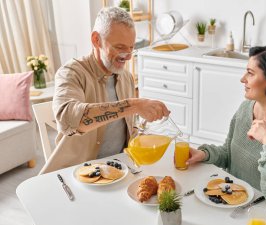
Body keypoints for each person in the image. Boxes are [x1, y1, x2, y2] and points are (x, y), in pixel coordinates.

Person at [40, 7, 169, 174]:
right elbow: (67, 121)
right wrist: (134, 105)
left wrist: (146, 132)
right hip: (76, 175)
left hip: (117, 171)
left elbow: (128, 128)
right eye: (120, 47)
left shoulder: (126, 78)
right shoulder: (71, 73)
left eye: (131, 48)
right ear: (96, 40)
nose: (128, 56)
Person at [187, 44, 266, 211]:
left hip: (261, 215)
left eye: (250, 73)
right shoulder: (246, 108)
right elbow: (229, 154)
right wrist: (204, 154)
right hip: (231, 203)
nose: (242, 78)